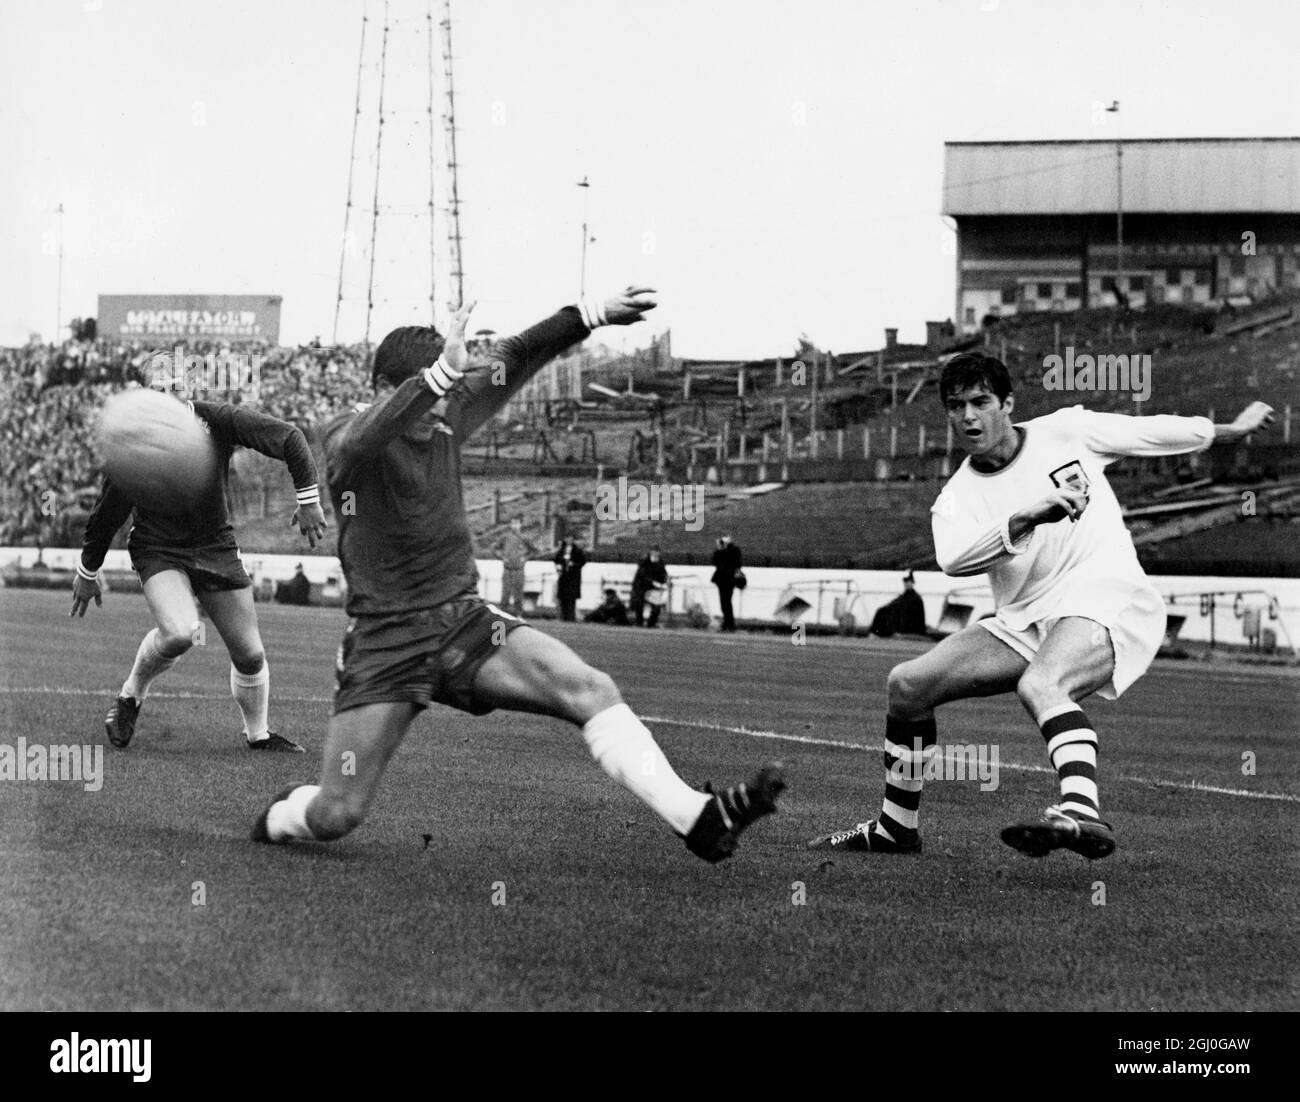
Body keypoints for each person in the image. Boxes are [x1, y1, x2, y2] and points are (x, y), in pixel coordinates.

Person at [252, 288, 784, 862]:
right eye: (434, 392)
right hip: (385, 642)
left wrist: (589, 315)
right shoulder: (345, 435)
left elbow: (518, 355)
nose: (443, 408)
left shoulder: (447, 411)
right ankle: (280, 816)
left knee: (589, 688)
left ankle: (697, 817)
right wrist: (433, 381)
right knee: (337, 815)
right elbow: (362, 439)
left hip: (463, 623)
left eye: (449, 393)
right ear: (386, 386)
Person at [809, 351, 1275, 860]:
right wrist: (1029, 514)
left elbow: (1150, 432)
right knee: (907, 686)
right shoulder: (956, 498)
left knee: (1041, 684)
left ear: (1008, 403)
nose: (968, 417)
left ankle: (1081, 810)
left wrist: (1228, 430)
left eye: (981, 402)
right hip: (1025, 621)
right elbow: (954, 560)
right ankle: (896, 828)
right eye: (956, 406)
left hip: (1107, 596)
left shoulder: (1067, 431)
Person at [71, 397, 328, 752]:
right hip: (158, 547)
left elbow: (289, 437)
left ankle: (258, 735)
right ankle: (131, 696)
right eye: (157, 387)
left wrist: (309, 499)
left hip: (215, 545)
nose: (168, 392)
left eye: (175, 382)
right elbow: (109, 512)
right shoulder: (136, 441)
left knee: (251, 655)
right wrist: (88, 570)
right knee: (181, 632)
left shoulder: (217, 419)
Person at [494, 517, 534, 616]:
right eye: (512, 524)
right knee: (505, 594)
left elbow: (533, 550)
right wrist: (502, 557)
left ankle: (519, 615)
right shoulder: (505, 537)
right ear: (510, 525)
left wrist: (525, 558)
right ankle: (502, 615)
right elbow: (495, 548)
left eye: (517, 523)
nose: (514, 526)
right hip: (507, 569)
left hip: (519, 569)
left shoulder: (525, 538)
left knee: (518, 594)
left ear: (520, 525)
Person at [869, 571, 927, 637]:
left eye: (908, 581)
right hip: (903, 622)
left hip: (910, 626)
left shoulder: (916, 598)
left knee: (890, 614)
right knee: (881, 611)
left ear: (912, 583)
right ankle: (875, 633)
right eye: (905, 582)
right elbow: (893, 604)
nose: (907, 583)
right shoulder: (904, 596)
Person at [710, 534, 743, 632]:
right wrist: (719, 549)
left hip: (730, 579)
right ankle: (727, 623)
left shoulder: (734, 550)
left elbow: (737, 563)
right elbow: (714, 562)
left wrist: (726, 548)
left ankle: (730, 624)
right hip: (721, 580)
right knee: (723, 603)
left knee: (727, 602)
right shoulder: (720, 551)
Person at [630, 546, 669, 628]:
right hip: (641, 586)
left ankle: (651, 623)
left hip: (652, 588)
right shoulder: (644, 561)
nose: (656, 554)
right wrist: (653, 582)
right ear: (651, 552)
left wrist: (665, 582)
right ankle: (639, 622)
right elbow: (642, 575)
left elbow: (663, 574)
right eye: (654, 551)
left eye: (657, 552)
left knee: (656, 605)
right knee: (639, 602)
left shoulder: (660, 562)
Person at [553, 536, 585, 622]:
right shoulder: (561, 550)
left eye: (570, 538)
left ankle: (571, 617)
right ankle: (563, 616)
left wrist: (573, 564)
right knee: (563, 597)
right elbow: (556, 559)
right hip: (563, 577)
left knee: (571, 598)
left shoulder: (577, 550)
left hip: (573, 577)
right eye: (567, 538)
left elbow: (582, 561)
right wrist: (559, 565)